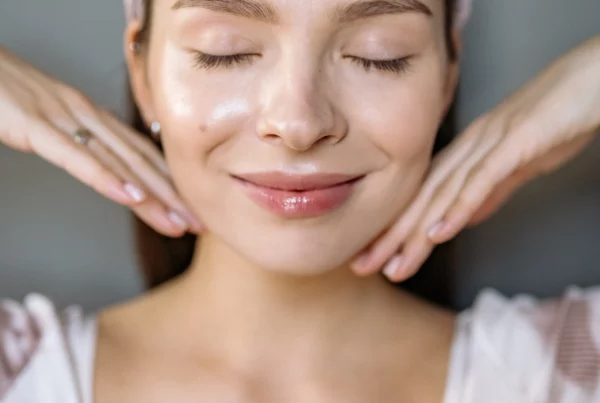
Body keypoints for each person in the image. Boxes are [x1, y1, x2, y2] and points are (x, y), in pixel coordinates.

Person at [0, 1, 599, 402]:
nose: (298, 122)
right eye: (225, 50)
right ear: (145, 77)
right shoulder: (18, 371)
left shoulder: (565, 372)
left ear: (446, 78)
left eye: (379, 53)